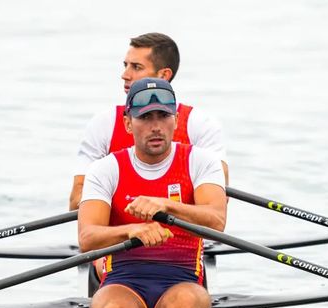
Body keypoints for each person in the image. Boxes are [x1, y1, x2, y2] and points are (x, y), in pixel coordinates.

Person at [78, 77, 227, 308]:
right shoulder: (105, 170)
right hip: (122, 283)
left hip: (182, 281)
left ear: (176, 120)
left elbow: (216, 221)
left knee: (185, 307)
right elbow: (87, 239)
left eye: (163, 116)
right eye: (145, 117)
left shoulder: (201, 162)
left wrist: (168, 208)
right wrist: (131, 231)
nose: (156, 126)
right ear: (127, 123)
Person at [70, 32, 228, 211]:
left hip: (187, 235)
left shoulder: (200, 124)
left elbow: (218, 199)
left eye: (136, 67)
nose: (125, 75)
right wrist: (133, 205)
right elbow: (77, 201)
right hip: (121, 234)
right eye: (125, 65)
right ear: (128, 124)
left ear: (163, 75)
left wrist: (162, 205)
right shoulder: (103, 124)